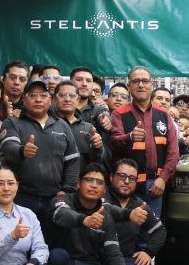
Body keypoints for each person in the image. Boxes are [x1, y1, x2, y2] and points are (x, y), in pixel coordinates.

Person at [0, 78, 81, 239]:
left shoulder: (62, 125)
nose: (38, 99)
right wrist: (22, 151)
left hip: (54, 197)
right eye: (32, 95)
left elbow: (72, 160)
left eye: (43, 95)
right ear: (24, 100)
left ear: (50, 100)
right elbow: (8, 148)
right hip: (21, 196)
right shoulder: (13, 123)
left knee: (53, 241)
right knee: (21, 242)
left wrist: (67, 191)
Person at [50, 164, 131, 265]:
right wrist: (84, 220)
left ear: (105, 190)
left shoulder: (105, 214)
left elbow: (113, 252)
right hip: (63, 263)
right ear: (78, 183)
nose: (94, 185)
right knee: (57, 256)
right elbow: (61, 214)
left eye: (99, 182)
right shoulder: (62, 200)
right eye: (89, 180)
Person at [109, 67, 180, 221]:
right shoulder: (119, 114)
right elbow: (114, 143)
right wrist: (129, 137)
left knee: (152, 230)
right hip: (126, 185)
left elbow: (174, 152)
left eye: (145, 81)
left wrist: (163, 178)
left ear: (151, 85)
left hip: (155, 186)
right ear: (129, 86)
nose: (141, 85)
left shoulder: (164, 115)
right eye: (136, 81)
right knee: (126, 229)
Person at [104, 159, 166, 265]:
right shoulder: (102, 198)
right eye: (122, 176)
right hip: (101, 258)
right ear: (111, 177)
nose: (126, 181)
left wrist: (148, 252)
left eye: (132, 178)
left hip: (126, 258)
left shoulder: (139, 204)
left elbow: (160, 231)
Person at [54, 80, 106, 167]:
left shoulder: (88, 128)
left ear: (78, 100)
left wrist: (98, 148)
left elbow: (97, 161)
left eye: (72, 96)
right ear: (55, 99)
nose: (67, 99)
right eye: (62, 95)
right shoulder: (47, 125)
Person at [70, 66, 111, 135]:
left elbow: (104, 115)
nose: (84, 84)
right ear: (70, 82)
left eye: (88, 81)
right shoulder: (60, 107)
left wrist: (106, 120)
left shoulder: (99, 109)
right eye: (79, 80)